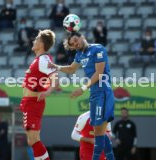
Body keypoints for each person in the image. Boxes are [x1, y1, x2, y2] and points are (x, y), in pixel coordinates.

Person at [49, 32, 115, 160]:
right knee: (98, 131)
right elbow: (71, 69)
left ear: (82, 37)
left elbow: (99, 73)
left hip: (103, 92)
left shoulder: (98, 48)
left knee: (99, 131)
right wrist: (56, 67)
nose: (75, 44)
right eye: (72, 45)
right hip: (94, 93)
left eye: (75, 40)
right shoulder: (80, 54)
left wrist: (83, 89)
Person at [20, 29, 59, 160]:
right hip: (29, 103)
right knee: (32, 141)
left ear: (41, 44)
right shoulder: (40, 60)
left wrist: (48, 91)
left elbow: (55, 78)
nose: (33, 40)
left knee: (34, 140)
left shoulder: (43, 60)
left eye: (36, 39)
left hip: (33, 103)